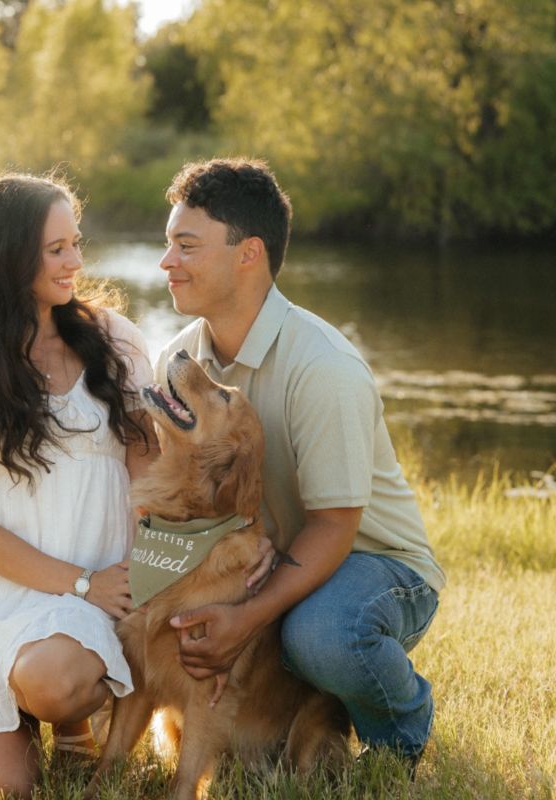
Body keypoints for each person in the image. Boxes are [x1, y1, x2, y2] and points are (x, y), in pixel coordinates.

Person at [156, 158, 445, 774]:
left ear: (248, 253)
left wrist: (244, 620)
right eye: (168, 244)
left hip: (375, 564)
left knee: (320, 635)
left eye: (186, 245)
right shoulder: (179, 360)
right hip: (267, 560)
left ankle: (401, 733)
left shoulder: (324, 367)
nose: (166, 262)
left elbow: (335, 527)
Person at [0, 172, 156, 799]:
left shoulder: (115, 342)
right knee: (0, 788)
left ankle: (70, 721)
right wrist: (81, 582)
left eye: (76, 244)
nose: (76, 262)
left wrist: (138, 574)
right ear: (11, 257)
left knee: (54, 681)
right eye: (56, 249)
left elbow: (147, 470)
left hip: (102, 591)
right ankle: (12, 717)